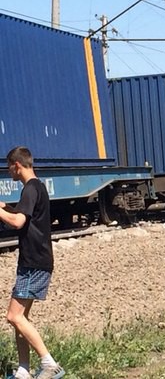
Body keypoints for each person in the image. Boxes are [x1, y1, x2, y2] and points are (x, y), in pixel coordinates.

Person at [0, 147, 65, 379]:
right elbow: (23, 216)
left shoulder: (29, 189)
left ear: (17, 165)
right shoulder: (38, 187)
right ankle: (23, 371)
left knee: (13, 317)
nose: (8, 172)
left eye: (8, 167)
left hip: (34, 263)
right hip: (36, 260)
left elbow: (18, 222)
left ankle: (49, 364)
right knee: (21, 319)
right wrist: (4, 207)